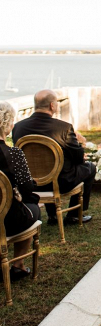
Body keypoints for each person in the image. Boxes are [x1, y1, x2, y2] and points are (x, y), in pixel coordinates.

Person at [11, 89, 96, 225]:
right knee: (90, 167)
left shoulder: (18, 128)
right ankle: (74, 215)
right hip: (61, 183)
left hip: (32, 183)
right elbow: (79, 158)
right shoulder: (64, 128)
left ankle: (52, 216)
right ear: (52, 105)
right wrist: (79, 143)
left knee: (44, 168)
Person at [0, 102, 41, 280]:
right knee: (33, 207)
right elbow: (26, 188)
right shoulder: (14, 154)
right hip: (7, 220)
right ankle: (18, 265)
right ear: (7, 124)